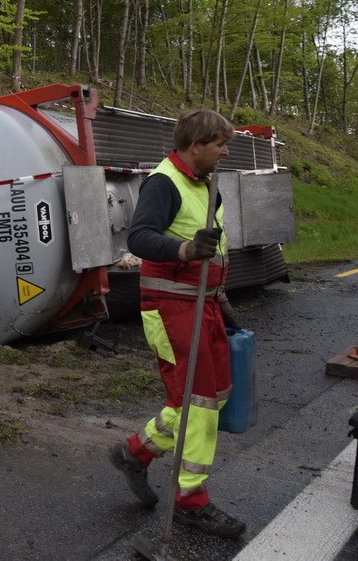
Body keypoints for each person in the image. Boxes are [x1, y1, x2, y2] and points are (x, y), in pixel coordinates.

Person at [109, 108, 246, 539]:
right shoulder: (163, 182)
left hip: (203, 302)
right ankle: (191, 501)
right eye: (220, 144)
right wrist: (186, 249)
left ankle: (135, 452)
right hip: (170, 307)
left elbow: (213, 245)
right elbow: (138, 237)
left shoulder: (207, 184)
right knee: (198, 400)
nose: (225, 151)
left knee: (216, 393)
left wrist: (220, 297)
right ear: (196, 145)